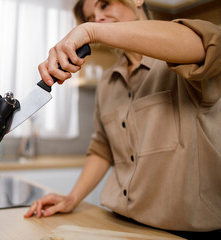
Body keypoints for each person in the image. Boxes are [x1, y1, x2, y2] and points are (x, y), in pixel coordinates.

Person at [24, 0, 221, 233]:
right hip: (120, 223)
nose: (97, 17)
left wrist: (90, 30)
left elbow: (207, 45)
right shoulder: (108, 82)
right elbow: (102, 148)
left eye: (104, 5)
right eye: (90, 16)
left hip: (184, 232)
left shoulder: (179, 56)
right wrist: (72, 198)